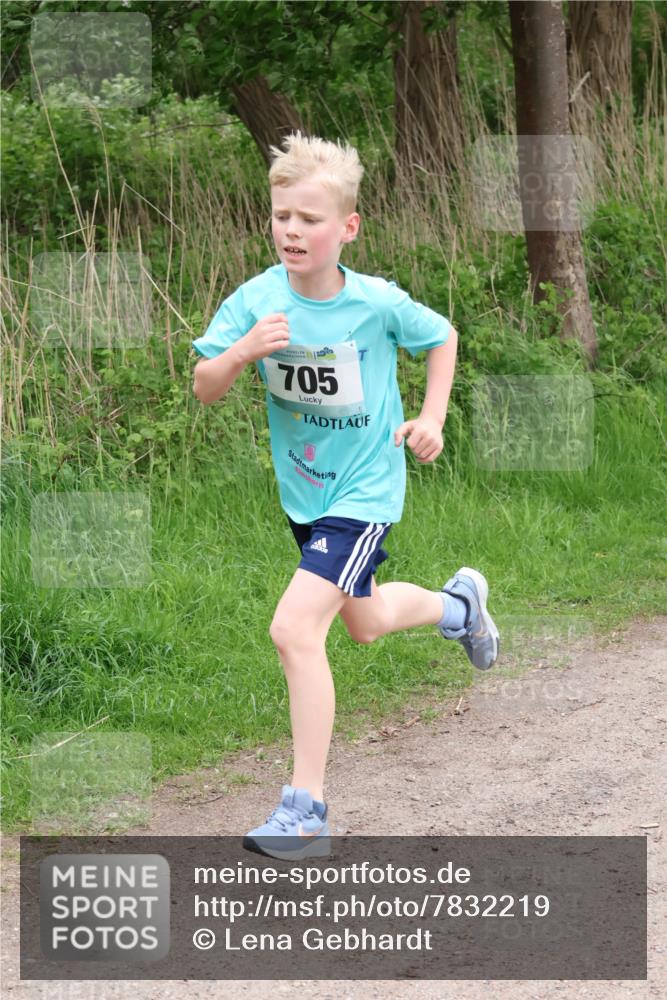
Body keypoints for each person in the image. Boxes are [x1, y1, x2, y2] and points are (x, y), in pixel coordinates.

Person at [191, 131, 499, 860]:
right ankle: (459, 606)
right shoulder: (256, 300)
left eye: (309, 218)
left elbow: (442, 336)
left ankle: (305, 809)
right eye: (281, 216)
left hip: (364, 491)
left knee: (295, 630)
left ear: (348, 228)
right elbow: (204, 388)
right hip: (303, 494)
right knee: (362, 624)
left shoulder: (373, 302)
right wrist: (241, 353)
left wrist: (430, 418)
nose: (292, 231)